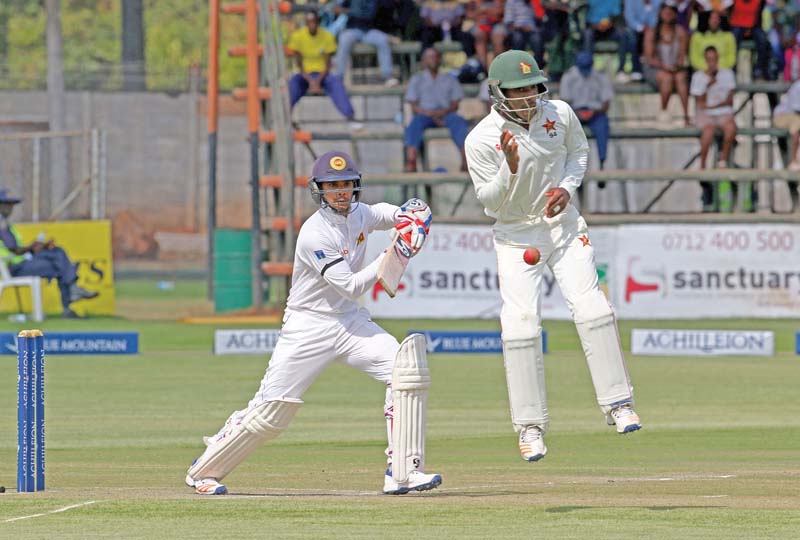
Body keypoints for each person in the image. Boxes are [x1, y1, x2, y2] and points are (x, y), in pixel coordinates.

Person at [184, 151, 441, 496]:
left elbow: (386, 213)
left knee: (405, 371)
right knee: (271, 410)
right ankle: (204, 470)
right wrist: (392, 252)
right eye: (332, 186)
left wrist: (408, 215)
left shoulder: (360, 213)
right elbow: (350, 285)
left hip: (349, 322)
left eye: (346, 185)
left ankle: (403, 472)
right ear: (318, 190)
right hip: (309, 326)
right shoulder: (313, 234)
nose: (340, 192)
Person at [464, 50, 642, 463]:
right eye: (517, 90)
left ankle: (618, 404)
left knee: (593, 308)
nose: (527, 96)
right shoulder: (481, 139)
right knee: (521, 325)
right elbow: (489, 204)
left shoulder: (558, 113)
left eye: (531, 87)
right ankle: (529, 427)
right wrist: (509, 168)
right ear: (498, 92)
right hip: (514, 236)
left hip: (562, 228)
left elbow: (578, 152)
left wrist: (567, 187)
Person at [0, 189, 98, 319]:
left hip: (23, 261)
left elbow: (17, 248)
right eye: (7, 204)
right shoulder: (1, 223)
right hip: (16, 267)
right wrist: (32, 246)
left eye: (12, 205)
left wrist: (39, 246)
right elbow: (13, 248)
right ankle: (70, 299)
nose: (10, 208)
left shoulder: (6, 223)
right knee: (59, 264)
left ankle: (71, 295)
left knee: (57, 254)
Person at [287, 11, 363, 131]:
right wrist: (311, 81)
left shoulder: (327, 36)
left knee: (336, 83)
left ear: (318, 22)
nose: (312, 25)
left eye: (314, 22)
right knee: (293, 83)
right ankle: (286, 117)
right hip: (305, 75)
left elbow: (328, 64)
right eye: (309, 22)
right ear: (306, 23)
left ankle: (350, 117)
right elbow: (299, 64)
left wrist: (317, 81)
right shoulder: (298, 37)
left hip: (322, 74)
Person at [403, 47, 470, 173]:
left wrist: (442, 113)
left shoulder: (450, 79)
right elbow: (413, 104)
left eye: (435, 56)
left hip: (446, 113)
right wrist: (429, 113)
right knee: (414, 123)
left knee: (459, 121)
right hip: (424, 114)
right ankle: (411, 160)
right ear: (423, 60)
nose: (433, 60)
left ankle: (466, 160)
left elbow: (456, 103)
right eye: (430, 57)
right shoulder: (416, 79)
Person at [559, 51, 615, 172]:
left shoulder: (600, 76)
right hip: (574, 112)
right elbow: (564, 102)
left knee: (602, 127)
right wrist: (576, 113)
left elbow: (606, 103)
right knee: (565, 130)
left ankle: (602, 162)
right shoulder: (569, 76)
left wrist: (593, 112)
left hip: (596, 112)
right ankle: (570, 165)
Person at [643, 3, 690, 126]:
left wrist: (676, 66)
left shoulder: (681, 32)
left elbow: (682, 56)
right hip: (656, 69)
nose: (668, 15)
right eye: (665, 12)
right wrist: (665, 67)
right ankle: (663, 112)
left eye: (671, 12)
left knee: (680, 78)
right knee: (667, 78)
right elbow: (649, 58)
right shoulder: (652, 32)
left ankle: (686, 116)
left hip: (674, 68)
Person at [332, 0, 399, 87]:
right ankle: (338, 78)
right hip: (353, 29)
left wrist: (345, 11)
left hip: (369, 31)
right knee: (344, 39)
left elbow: (372, 14)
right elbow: (335, 8)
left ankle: (388, 77)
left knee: (382, 40)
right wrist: (344, 10)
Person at [773, 78, 800, 209]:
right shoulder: (798, 86)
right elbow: (796, 110)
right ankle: (793, 160)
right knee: (796, 123)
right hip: (784, 115)